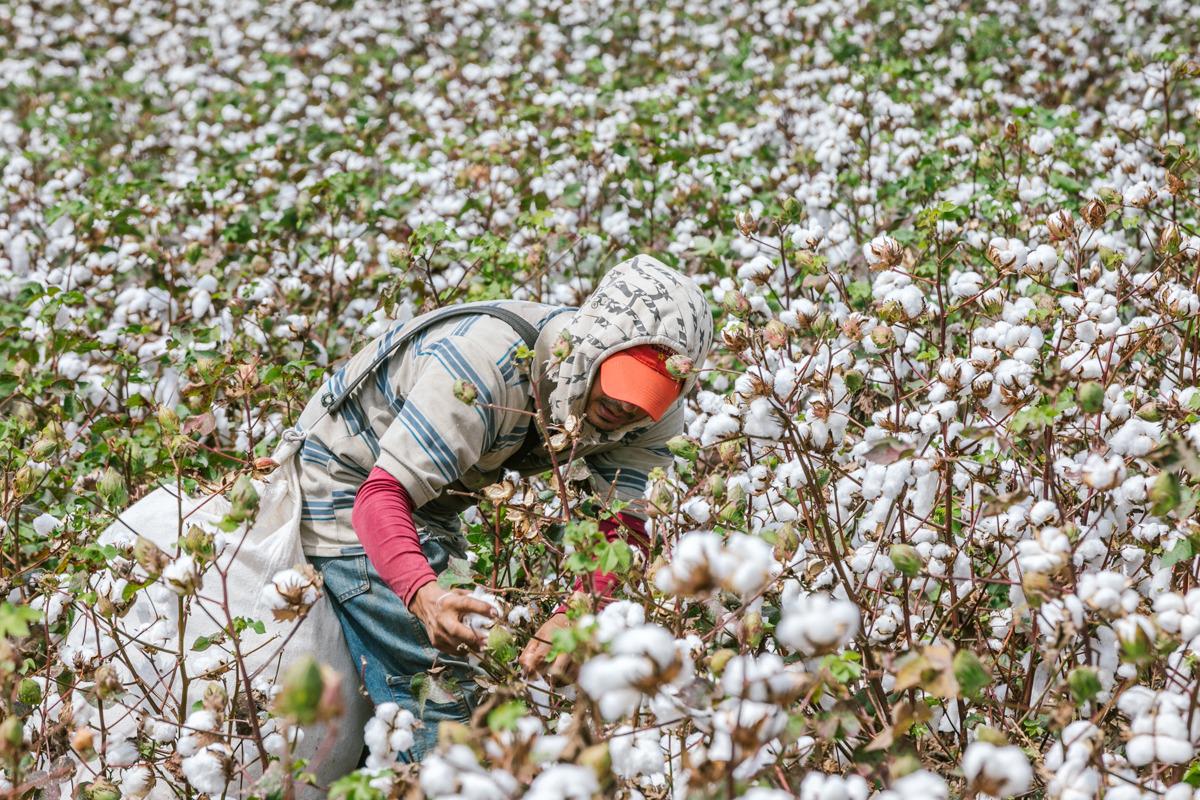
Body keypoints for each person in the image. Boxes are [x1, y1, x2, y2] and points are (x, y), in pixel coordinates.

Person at [294, 254, 713, 758]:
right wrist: (424, 596)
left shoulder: (651, 414)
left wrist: (579, 610)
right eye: (622, 382)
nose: (626, 407)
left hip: (432, 500)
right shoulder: (483, 366)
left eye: (649, 395)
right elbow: (381, 497)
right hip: (346, 481)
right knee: (440, 683)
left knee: (484, 669)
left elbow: (624, 526)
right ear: (592, 349)